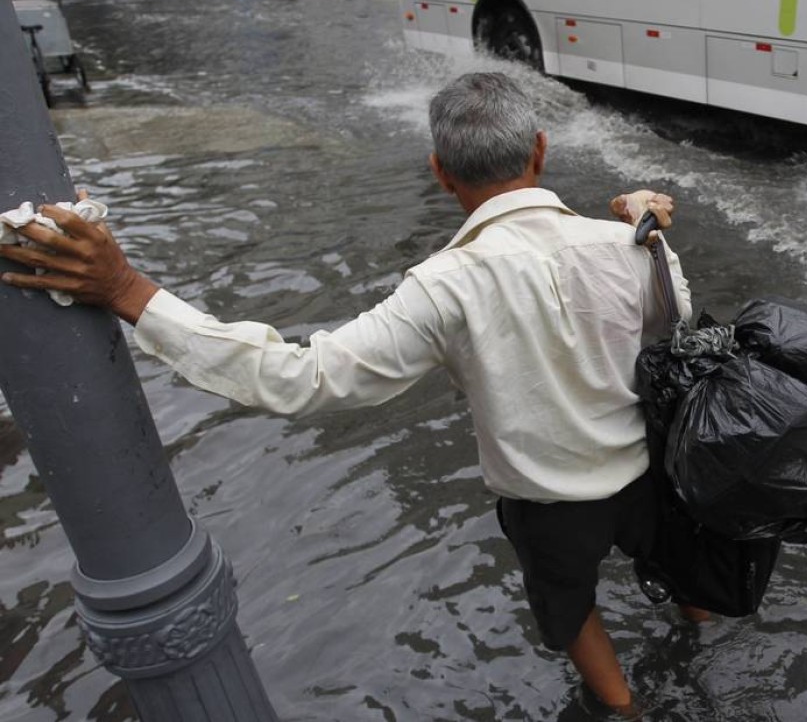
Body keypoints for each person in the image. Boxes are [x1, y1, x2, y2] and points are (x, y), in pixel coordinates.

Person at [0, 72, 702, 719]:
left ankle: (622, 709)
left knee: (573, 609)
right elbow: (679, 323)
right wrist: (629, 222)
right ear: (540, 150)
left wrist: (128, 291)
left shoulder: (443, 284)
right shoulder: (631, 242)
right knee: (685, 576)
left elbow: (301, 378)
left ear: (438, 172)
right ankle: (704, 642)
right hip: (645, 471)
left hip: (549, 506)